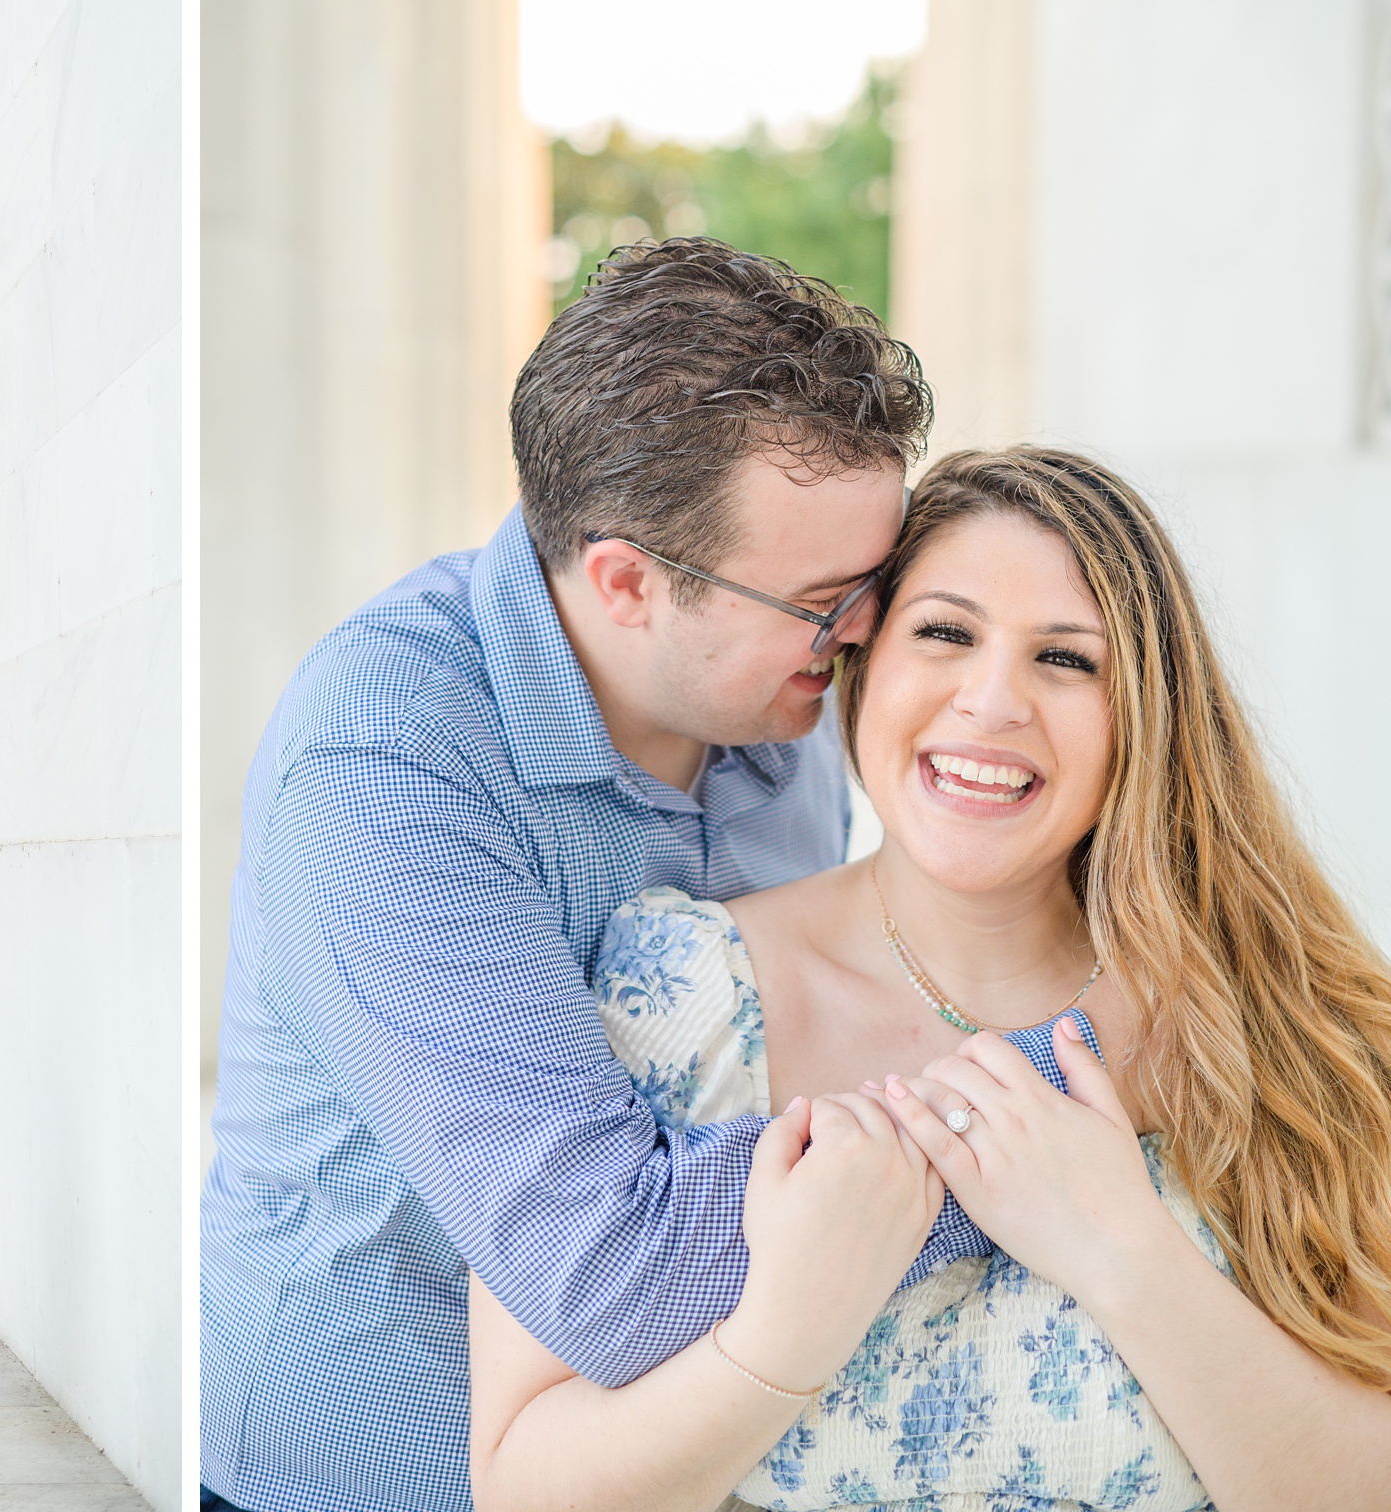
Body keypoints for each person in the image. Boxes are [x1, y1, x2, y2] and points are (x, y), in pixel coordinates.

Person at [200, 239, 1096, 1512]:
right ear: (627, 581)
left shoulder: (784, 704)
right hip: (371, 1475)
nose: (867, 639)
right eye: (827, 598)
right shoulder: (386, 762)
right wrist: (1075, 1099)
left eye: (879, 585)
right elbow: (608, 1279)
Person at [468, 446, 1391, 1509]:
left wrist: (1123, 1251)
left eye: (1067, 659)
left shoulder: (1278, 1022)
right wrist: (786, 1335)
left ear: (1145, 711)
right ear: (861, 666)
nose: (992, 702)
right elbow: (525, 1491)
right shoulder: (683, 997)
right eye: (945, 633)